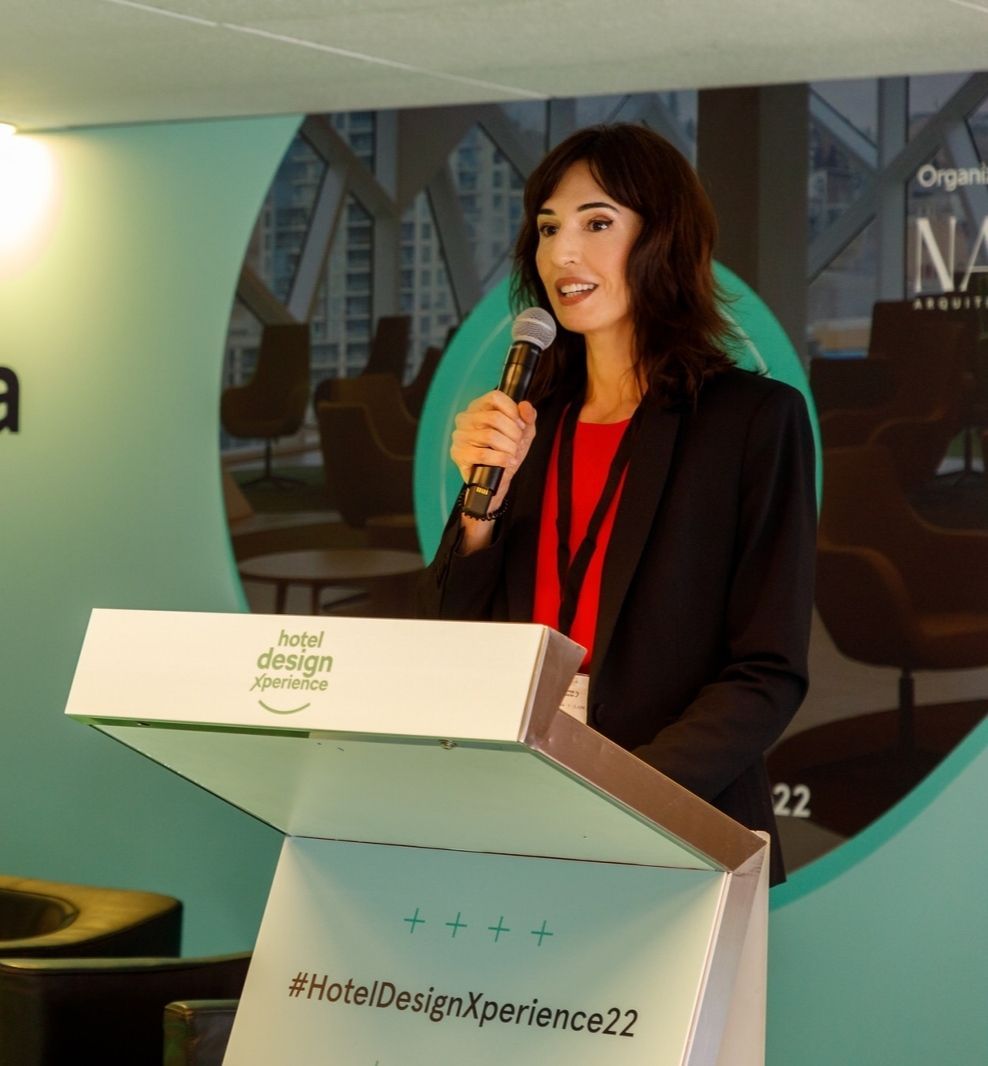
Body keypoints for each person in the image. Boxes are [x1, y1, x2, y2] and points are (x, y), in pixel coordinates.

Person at [420, 123, 816, 884]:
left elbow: (766, 670)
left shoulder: (751, 421)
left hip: (674, 828)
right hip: (513, 814)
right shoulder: (528, 418)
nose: (564, 252)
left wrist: (619, 799)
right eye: (547, 228)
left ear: (662, 238)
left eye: (597, 222)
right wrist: (480, 514)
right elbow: (450, 636)